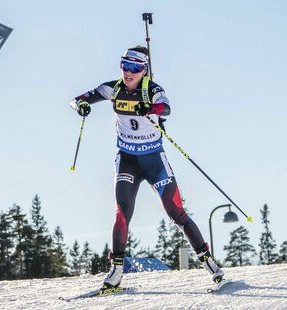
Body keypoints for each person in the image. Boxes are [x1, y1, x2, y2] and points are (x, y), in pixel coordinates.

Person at [70, 46, 224, 289]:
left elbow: (166, 108)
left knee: (176, 213)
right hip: (127, 160)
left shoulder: (153, 90)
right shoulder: (113, 88)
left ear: (144, 71)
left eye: (135, 68)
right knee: (122, 212)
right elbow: (76, 99)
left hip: (154, 161)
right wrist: (81, 106)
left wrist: (150, 108)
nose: (129, 72)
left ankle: (209, 263)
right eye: (125, 66)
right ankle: (116, 270)